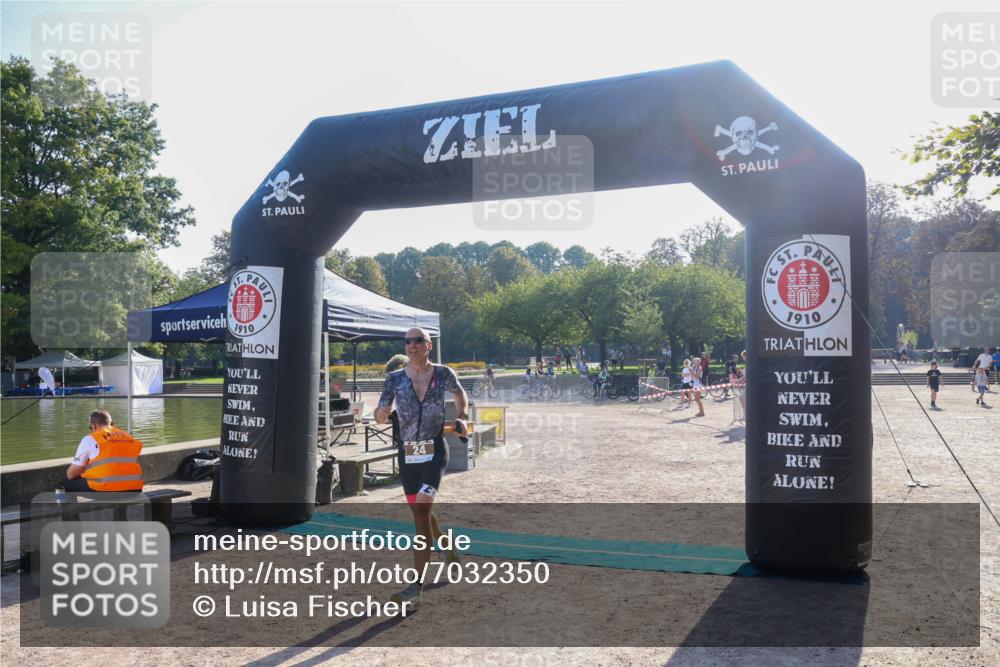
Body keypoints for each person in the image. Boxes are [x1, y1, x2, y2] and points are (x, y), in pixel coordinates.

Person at [375, 327, 467, 609]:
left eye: (417, 341)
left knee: (421, 512)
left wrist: (462, 416)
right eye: (407, 341)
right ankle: (448, 546)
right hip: (407, 453)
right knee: (420, 511)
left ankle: (415, 587)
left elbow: (460, 395)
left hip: (434, 450)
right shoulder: (394, 379)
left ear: (428, 345)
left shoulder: (443, 373)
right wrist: (380, 414)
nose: (412, 345)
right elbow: (380, 412)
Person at [61, 408, 143, 492]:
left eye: (91, 428)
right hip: (135, 489)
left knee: (65, 482)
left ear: (94, 426)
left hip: (107, 490)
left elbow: (71, 474)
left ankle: (73, 506)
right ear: (112, 424)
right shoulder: (128, 436)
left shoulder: (90, 439)